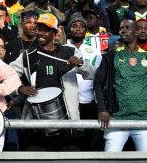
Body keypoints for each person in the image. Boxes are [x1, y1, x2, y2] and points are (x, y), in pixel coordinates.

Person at [9, 13, 95, 151]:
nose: (41, 33)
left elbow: (92, 74)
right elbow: (7, 74)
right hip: (36, 124)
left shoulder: (70, 52)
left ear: (55, 33)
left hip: (67, 123)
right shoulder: (27, 56)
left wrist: (80, 63)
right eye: (39, 29)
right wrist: (19, 89)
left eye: (46, 30)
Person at [94, 19, 147, 152]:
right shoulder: (111, 56)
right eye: (120, 28)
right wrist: (102, 109)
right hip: (117, 118)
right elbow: (98, 82)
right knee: (110, 158)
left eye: (127, 28)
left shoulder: (146, 56)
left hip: (143, 119)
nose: (122, 31)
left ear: (137, 32)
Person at [65, 13, 102, 150]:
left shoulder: (94, 51)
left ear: (86, 30)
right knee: (70, 140)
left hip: (89, 101)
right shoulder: (61, 49)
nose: (78, 29)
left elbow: (99, 76)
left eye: (82, 26)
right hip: (67, 101)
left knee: (87, 140)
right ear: (69, 30)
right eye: (74, 26)